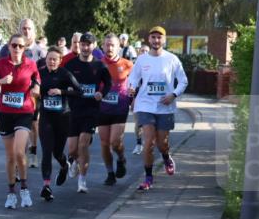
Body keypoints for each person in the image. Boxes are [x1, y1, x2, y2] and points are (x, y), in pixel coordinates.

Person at [127, 26, 187, 191]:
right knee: (148, 143)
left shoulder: (172, 59)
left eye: (159, 37)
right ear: (149, 39)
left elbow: (183, 81)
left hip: (165, 106)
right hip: (145, 105)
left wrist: (173, 95)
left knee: (162, 144)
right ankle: (148, 177)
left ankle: (166, 157)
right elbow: (132, 78)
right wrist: (131, 87)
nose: (156, 40)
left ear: (164, 40)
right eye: (153, 37)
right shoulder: (142, 59)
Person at [0, 33, 40, 209]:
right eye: (14, 45)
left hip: (24, 111)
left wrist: (36, 89)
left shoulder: (30, 64)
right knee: (10, 156)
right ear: (8, 46)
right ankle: (11, 193)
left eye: (20, 46)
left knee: (19, 152)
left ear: (25, 49)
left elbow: (37, 80)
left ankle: (24, 189)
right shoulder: (1, 64)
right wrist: (2, 81)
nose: (17, 49)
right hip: (5, 113)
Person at [63, 33, 111, 194]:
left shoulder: (99, 65)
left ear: (94, 46)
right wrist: (67, 90)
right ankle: (75, 162)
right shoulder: (70, 64)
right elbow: (63, 82)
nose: (85, 47)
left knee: (83, 144)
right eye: (82, 44)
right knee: (72, 149)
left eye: (88, 44)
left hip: (91, 111)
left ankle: (82, 181)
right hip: (74, 110)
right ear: (79, 46)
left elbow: (109, 83)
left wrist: (102, 94)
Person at [36, 46, 81, 201]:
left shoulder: (65, 74)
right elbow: (32, 88)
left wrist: (61, 92)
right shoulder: (40, 73)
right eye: (49, 59)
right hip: (46, 117)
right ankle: (46, 186)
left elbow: (79, 91)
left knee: (57, 152)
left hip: (63, 117)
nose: (52, 62)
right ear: (45, 60)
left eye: (55, 59)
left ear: (60, 61)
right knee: (47, 151)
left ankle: (64, 165)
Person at [98, 33, 135, 185]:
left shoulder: (127, 64)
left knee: (115, 142)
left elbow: (136, 83)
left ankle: (121, 158)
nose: (110, 48)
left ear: (119, 46)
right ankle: (110, 173)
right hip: (102, 108)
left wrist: (134, 97)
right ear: (102, 46)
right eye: (107, 45)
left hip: (120, 107)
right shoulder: (97, 63)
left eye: (113, 45)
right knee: (105, 143)